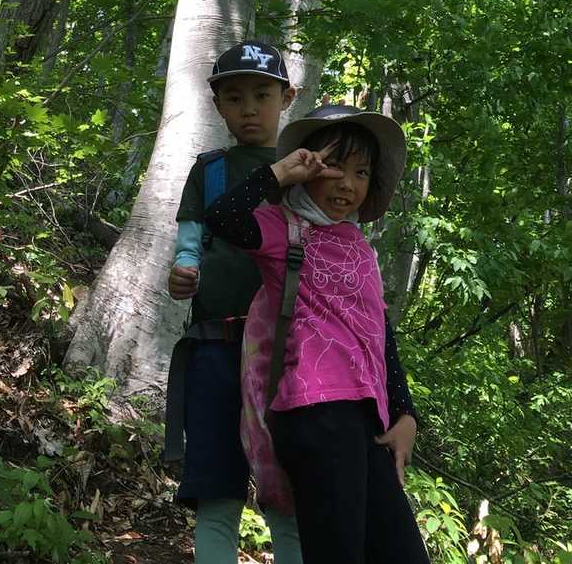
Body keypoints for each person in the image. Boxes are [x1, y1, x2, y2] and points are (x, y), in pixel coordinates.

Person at [203, 102, 430, 564]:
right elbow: (222, 217)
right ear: (308, 167)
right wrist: (280, 172)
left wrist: (405, 414)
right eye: (334, 167)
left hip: (367, 419)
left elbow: (378, 332)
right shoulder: (281, 228)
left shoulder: (360, 246)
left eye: (362, 173)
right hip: (315, 411)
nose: (348, 184)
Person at [165, 40, 303, 564]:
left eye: (262, 95)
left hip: (287, 357)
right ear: (218, 104)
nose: (249, 108)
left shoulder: (304, 170)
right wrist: (184, 269)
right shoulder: (212, 169)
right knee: (217, 490)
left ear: (286, 98)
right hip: (216, 346)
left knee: (288, 494)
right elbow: (191, 240)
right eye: (235, 97)